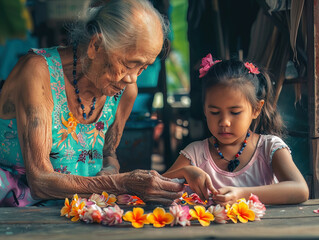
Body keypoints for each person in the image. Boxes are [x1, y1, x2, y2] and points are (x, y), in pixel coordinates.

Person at [0, 0, 184, 207]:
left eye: (143, 68)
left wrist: (110, 171)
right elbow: (40, 180)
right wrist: (119, 183)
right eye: (129, 65)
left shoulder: (125, 92)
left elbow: (108, 153)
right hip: (16, 214)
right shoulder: (38, 72)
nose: (132, 79)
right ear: (95, 46)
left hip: (80, 211)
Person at [163, 54, 309, 205]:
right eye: (214, 112)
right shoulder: (195, 154)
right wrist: (184, 172)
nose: (224, 122)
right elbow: (153, 188)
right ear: (205, 110)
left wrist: (242, 194)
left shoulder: (269, 148)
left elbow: (300, 189)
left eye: (235, 112)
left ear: (256, 109)